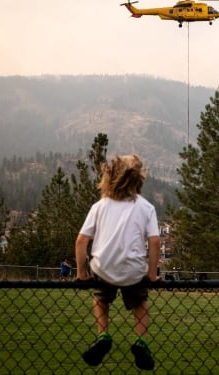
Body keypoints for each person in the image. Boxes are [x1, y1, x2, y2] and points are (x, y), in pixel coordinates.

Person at [75, 154, 161, 371]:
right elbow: (155, 242)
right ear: (139, 180)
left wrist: (81, 273)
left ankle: (103, 334)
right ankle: (141, 340)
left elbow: (81, 241)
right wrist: (151, 274)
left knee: (101, 298)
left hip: (103, 268)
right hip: (133, 270)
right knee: (140, 302)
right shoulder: (146, 207)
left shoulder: (100, 206)